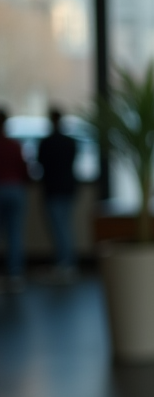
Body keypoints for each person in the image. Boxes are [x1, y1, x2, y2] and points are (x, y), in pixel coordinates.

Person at [37, 108, 78, 280]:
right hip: (68, 188)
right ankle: (66, 261)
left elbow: (40, 163)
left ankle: (65, 263)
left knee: (59, 227)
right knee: (64, 226)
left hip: (53, 189)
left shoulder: (47, 143)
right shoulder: (69, 142)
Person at [0, 108, 31, 292]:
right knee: (15, 233)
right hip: (15, 190)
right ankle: (15, 273)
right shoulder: (14, 145)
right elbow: (24, 169)